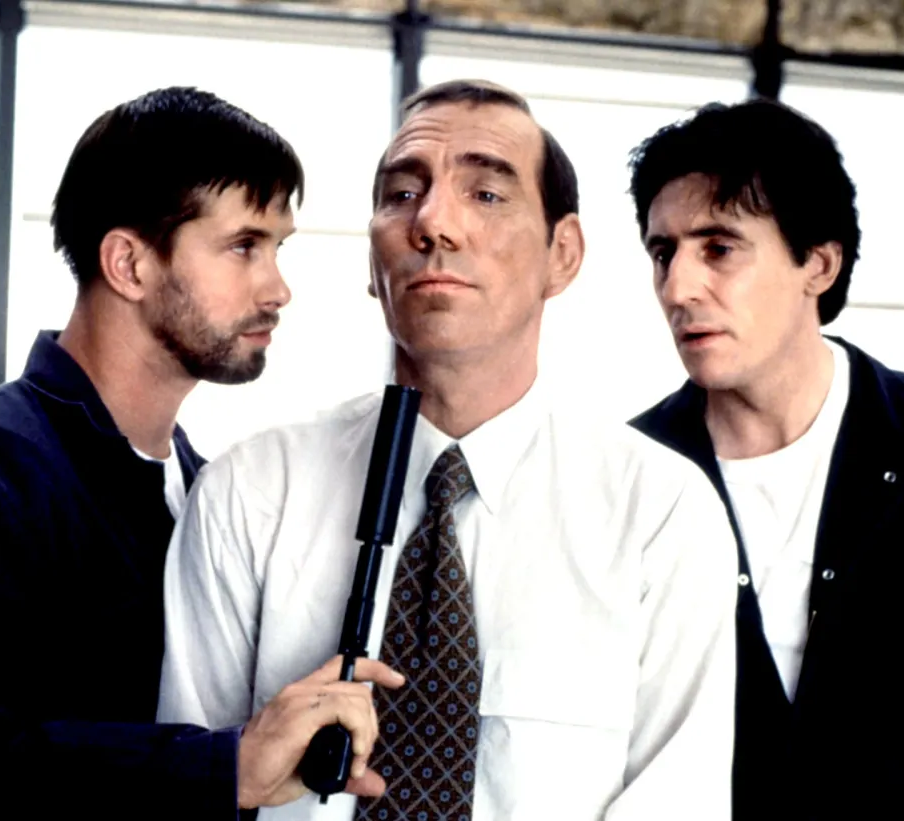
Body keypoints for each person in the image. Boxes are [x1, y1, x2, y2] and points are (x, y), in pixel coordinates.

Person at [157, 79, 740, 820]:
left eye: (486, 194)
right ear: (372, 262)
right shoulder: (249, 493)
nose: (432, 222)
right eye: (402, 195)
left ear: (563, 254)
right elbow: (191, 795)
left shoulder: (659, 512)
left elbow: (677, 804)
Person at [0, 86, 400, 819]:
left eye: (278, 248)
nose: (278, 288)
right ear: (128, 263)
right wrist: (223, 767)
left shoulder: (209, 488)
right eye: (243, 246)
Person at [626, 97, 904, 820]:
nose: (678, 287)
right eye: (662, 252)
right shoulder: (631, 474)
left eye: (719, 248)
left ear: (819, 264)